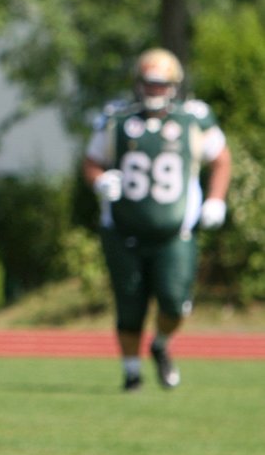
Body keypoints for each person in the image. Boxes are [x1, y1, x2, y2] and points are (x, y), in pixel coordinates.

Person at [83, 47, 230, 390]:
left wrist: (215, 199)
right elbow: (91, 161)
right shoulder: (116, 118)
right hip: (123, 230)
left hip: (175, 232)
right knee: (129, 305)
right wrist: (99, 181)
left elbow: (222, 159)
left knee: (175, 303)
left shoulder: (193, 118)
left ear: (174, 86)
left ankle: (160, 345)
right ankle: (132, 373)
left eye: (161, 84)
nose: (154, 90)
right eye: (149, 83)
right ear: (138, 83)